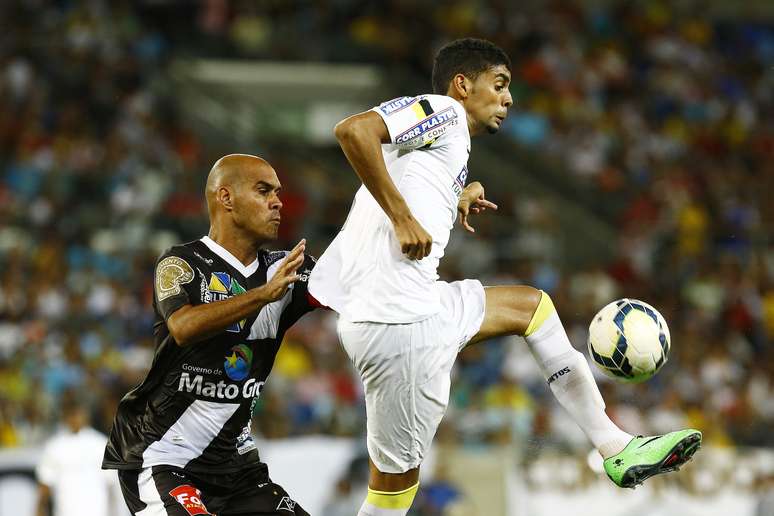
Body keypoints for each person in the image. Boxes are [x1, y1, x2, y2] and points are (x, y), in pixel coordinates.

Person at [308, 38, 702, 515]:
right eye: (498, 85)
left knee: (532, 308)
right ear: (462, 85)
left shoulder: (439, 145)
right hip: (399, 325)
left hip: (413, 307)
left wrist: (455, 196)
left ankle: (615, 446)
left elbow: (404, 179)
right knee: (391, 497)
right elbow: (352, 131)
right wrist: (402, 217)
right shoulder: (444, 112)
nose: (508, 99)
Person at [102, 154, 316, 515]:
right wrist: (263, 296)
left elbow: (353, 289)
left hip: (238, 470)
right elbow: (183, 327)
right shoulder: (180, 263)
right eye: (263, 191)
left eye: (278, 192)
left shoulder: (286, 269)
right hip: (163, 457)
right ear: (226, 198)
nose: (278, 202)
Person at [37, 394, 123, 516]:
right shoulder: (55, 446)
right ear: (64, 416)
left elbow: (113, 486)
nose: (74, 418)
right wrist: (39, 510)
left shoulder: (101, 444)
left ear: (85, 415)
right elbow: (45, 484)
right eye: (70, 414)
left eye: (77, 413)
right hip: (65, 511)